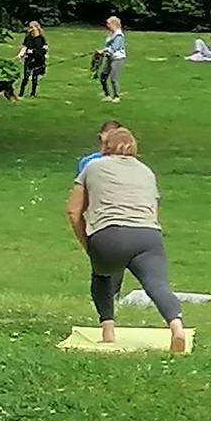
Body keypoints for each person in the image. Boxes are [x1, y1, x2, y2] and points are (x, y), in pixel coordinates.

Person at [66, 125, 188, 353]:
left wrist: (88, 242)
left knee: (102, 276)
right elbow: (154, 211)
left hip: (109, 234)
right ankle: (177, 327)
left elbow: (74, 211)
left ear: (105, 146)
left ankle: (108, 332)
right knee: (158, 285)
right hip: (148, 235)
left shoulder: (93, 167)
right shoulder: (146, 171)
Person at [95, 17, 127, 101]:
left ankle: (116, 96)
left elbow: (115, 48)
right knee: (103, 76)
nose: (107, 25)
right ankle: (107, 95)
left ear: (114, 24)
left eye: (108, 24)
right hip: (109, 56)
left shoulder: (119, 35)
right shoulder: (111, 34)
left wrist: (103, 51)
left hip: (117, 58)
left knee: (113, 78)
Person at [16, 22, 47, 98]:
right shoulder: (28, 37)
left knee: (35, 77)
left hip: (38, 59)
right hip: (29, 59)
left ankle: (33, 93)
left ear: (37, 27)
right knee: (26, 76)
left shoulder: (41, 38)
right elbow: (25, 47)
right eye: (30, 27)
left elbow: (44, 49)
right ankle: (21, 92)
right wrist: (21, 55)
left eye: (32, 27)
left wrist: (41, 54)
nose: (31, 29)